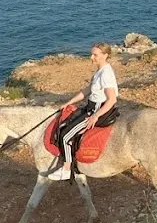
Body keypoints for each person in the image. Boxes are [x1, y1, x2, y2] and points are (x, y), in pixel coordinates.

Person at [46, 42, 119, 181]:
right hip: (90, 107)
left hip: (97, 110)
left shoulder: (106, 74)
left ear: (105, 55)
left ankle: (66, 169)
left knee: (65, 136)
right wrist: (69, 102)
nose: (91, 57)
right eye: (92, 54)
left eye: (95, 55)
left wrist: (95, 116)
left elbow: (112, 99)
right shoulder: (100, 71)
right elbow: (87, 91)